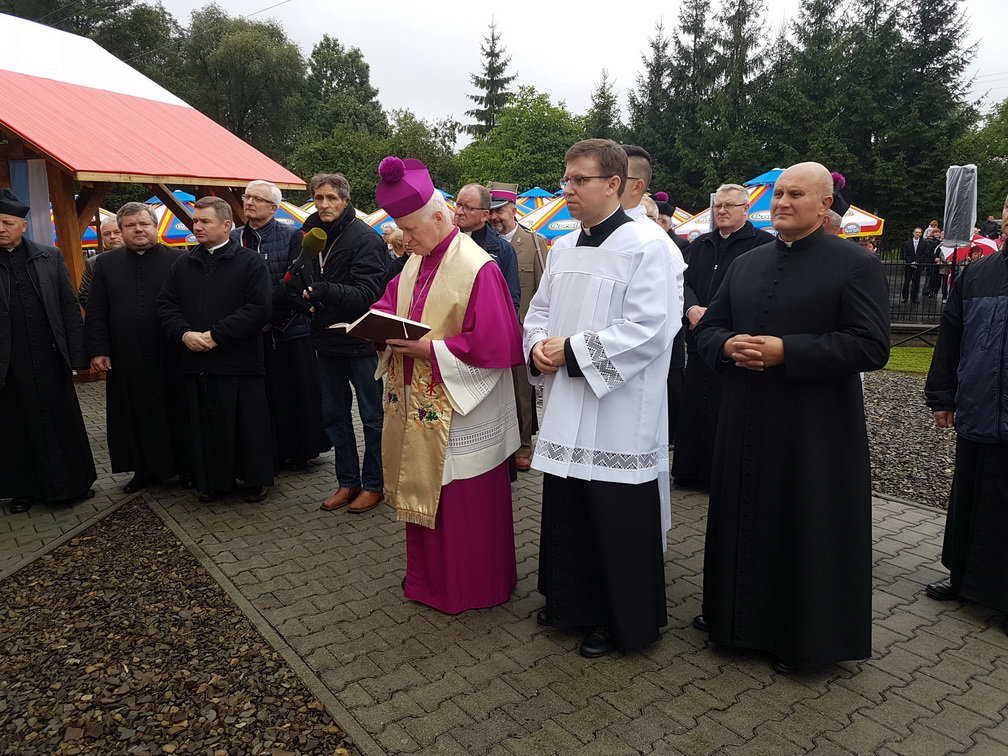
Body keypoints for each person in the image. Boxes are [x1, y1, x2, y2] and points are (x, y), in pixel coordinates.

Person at [692, 161, 890, 672]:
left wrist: (790, 351)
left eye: (795, 194)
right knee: (741, 513)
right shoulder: (746, 263)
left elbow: (871, 345)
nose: (781, 202)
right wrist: (727, 344)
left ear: (824, 204)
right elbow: (708, 328)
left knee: (804, 522)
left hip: (813, 426)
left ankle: (803, 640)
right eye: (778, 194)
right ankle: (733, 622)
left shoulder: (854, 263)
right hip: (744, 416)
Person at [525, 138, 684, 657]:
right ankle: (572, 604)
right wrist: (537, 347)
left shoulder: (649, 245)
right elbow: (538, 311)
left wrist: (571, 351)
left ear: (614, 183)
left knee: (615, 514)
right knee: (569, 505)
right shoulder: (563, 247)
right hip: (566, 401)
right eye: (566, 179)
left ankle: (622, 621)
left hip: (619, 409)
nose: (567, 190)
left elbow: (652, 327)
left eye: (580, 180)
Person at [371, 155, 523, 614]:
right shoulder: (415, 262)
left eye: (410, 229)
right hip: (420, 399)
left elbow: (497, 342)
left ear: (438, 217)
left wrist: (430, 350)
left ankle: (471, 586)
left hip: (461, 406)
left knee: (463, 503)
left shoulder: (478, 267)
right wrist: (373, 324)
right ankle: (429, 580)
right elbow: (390, 302)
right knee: (424, 488)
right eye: (401, 230)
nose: (405, 239)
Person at [157, 196, 273, 503]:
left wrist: (216, 335)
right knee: (206, 428)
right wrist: (184, 333)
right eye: (195, 221)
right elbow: (166, 305)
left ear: (226, 225)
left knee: (248, 426)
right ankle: (214, 482)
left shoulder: (250, 262)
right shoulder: (183, 264)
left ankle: (256, 479)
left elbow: (259, 307)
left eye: (205, 221)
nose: (197, 226)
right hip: (198, 362)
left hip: (239, 362)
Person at [923, 208, 1008, 614]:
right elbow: (951, 336)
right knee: (972, 497)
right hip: (978, 403)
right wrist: (942, 396)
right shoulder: (977, 273)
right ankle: (964, 577)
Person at [0, 188, 96, 514]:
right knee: (15, 425)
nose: (1, 228)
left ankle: (74, 484)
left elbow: (69, 307)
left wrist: (78, 355)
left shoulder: (49, 257)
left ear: (23, 225)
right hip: (8, 361)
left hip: (49, 354)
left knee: (62, 422)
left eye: (7, 222)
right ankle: (23, 490)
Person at [672, 184, 774, 489]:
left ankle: (720, 476)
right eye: (718, 206)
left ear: (745, 209)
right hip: (699, 338)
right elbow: (683, 283)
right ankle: (689, 471)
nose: (722, 211)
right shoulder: (701, 244)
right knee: (694, 406)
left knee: (725, 410)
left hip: (733, 340)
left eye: (730, 206)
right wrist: (691, 308)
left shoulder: (763, 244)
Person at [85, 202, 190, 494]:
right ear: (121, 230)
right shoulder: (105, 263)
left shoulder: (179, 259)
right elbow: (97, 309)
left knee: (178, 408)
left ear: (155, 227)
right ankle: (143, 470)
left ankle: (186, 467)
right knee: (134, 412)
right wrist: (98, 349)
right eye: (130, 226)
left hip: (170, 351)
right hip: (126, 353)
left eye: (144, 224)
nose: (138, 230)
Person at [303, 173, 389, 514]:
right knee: (335, 417)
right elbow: (307, 278)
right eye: (318, 198)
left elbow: (369, 293)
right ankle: (347, 481)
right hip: (326, 342)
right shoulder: (311, 235)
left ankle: (374, 484)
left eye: (331, 198)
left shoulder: (365, 238)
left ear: (345, 200)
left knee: (372, 419)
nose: (324, 204)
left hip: (360, 344)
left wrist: (324, 291)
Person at [231, 180, 329, 473]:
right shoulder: (235, 237)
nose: (249, 202)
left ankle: (300, 451)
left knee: (294, 394)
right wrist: (248, 320)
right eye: (247, 197)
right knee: (263, 396)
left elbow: (297, 285)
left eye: (257, 199)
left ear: (273, 208)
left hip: (289, 329)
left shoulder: (292, 237)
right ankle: (269, 451)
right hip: (249, 332)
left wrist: (265, 316)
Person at [488, 181, 549, 472]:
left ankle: (523, 446)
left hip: (520, 331)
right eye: (490, 211)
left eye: (500, 210)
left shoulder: (534, 244)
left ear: (514, 209)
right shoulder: (479, 243)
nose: (494, 217)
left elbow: (544, 292)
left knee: (521, 394)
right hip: (488, 331)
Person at [453, 183, 521, 313]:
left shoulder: (503, 250)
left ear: (484, 215)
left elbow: (511, 301)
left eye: (468, 208)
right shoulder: (443, 242)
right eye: (458, 205)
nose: (459, 212)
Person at [78, 218, 123, 309]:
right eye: (107, 234)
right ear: (102, 238)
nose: (112, 236)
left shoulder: (140, 257)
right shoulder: (93, 263)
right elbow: (85, 295)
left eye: (117, 232)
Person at [900, 227, 926, 303]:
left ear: (921, 234)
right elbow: (905, 254)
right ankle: (905, 297)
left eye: (919, 232)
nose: (918, 234)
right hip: (909, 265)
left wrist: (917, 262)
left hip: (918, 265)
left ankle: (914, 297)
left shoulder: (924, 243)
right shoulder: (907, 243)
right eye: (916, 232)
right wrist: (911, 262)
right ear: (913, 233)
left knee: (916, 282)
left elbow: (925, 254)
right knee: (907, 281)